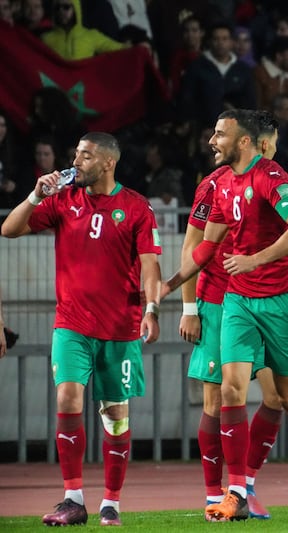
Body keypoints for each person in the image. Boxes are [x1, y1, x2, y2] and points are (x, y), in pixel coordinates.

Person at [161, 109, 288, 522]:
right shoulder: (220, 185)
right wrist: (168, 287)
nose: (211, 140)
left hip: (284, 299)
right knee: (230, 391)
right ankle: (235, 490)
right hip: (236, 300)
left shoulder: (270, 177)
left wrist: (256, 259)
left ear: (245, 142)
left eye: (220, 134)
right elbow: (204, 247)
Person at [1, 132, 162, 526]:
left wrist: (152, 308)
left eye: (86, 156)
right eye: (77, 154)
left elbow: (151, 267)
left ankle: (111, 503)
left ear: (108, 162)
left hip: (120, 329)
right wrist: (35, 196)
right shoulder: (62, 200)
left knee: (115, 415)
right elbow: (9, 229)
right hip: (71, 324)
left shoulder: (136, 207)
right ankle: (73, 499)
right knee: (68, 398)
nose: (77, 161)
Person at [178, 114, 288, 521]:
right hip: (219, 299)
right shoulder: (213, 184)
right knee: (216, 398)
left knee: (276, 397)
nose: (273, 152)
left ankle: (246, 485)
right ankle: (213, 493)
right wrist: (189, 307)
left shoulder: (271, 179)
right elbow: (193, 245)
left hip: (263, 301)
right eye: (270, 145)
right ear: (255, 143)